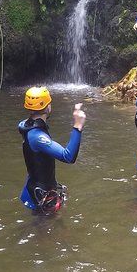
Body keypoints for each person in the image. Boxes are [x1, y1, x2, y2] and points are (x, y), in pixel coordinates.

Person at [18, 86, 86, 214]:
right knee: (44, 228)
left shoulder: (28, 126)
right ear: (48, 107)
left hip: (35, 186)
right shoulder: (37, 136)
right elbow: (68, 156)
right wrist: (78, 126)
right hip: (41, 193)